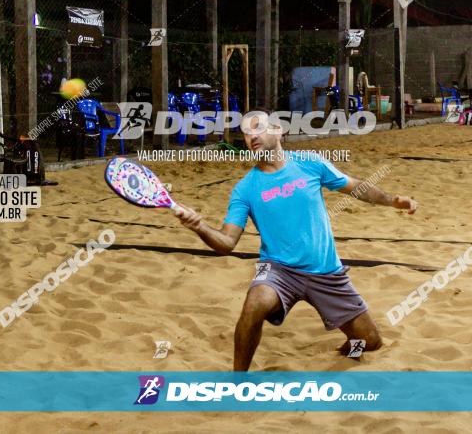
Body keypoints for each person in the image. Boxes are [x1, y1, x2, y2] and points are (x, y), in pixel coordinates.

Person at [174, 109, 418, 371]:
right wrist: (199, 226)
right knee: (255, 303)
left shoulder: (309, 163)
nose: (251, 136)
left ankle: (348, 349)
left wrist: (392, 201)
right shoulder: (245, 188)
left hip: (326, 272)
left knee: (370, 341)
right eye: (245, 133)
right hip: (279, 271)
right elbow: (227, 242)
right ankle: (238, 380)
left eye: (258, 128)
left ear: (278, 130)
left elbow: (357, 187)